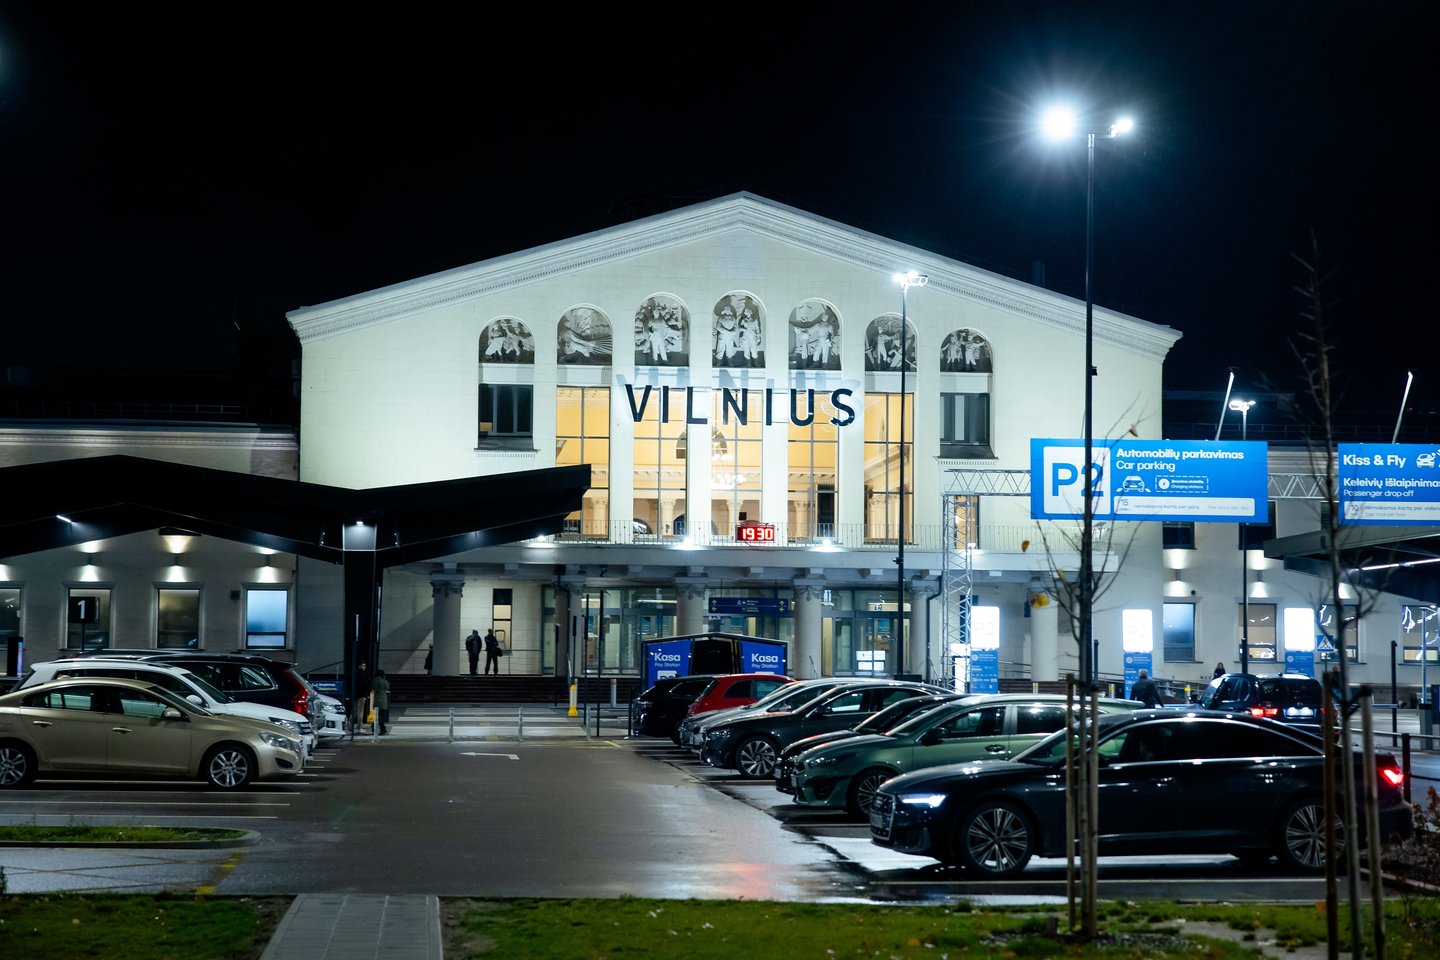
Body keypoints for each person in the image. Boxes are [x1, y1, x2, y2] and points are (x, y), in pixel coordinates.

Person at [353, 659, 372, 735]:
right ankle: (359, 726)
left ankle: (350, 724)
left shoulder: (355, 673)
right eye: (363, 666)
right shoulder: (363, 674)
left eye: (365, 666)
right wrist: (366, 693)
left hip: (356, 694)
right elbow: (364, 685)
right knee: (360, 711)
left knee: (355, 710)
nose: (364, 667)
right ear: (359, 666)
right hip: (361, 695)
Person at [371, 669, 391, 735]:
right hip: (383, 699)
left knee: (377, 714)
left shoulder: (374, 681)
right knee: (382, 715)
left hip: (376, 699)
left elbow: (372, 687)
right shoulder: (384, 681)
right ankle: (382, 728)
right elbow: (387, 687)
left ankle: (376, 726)